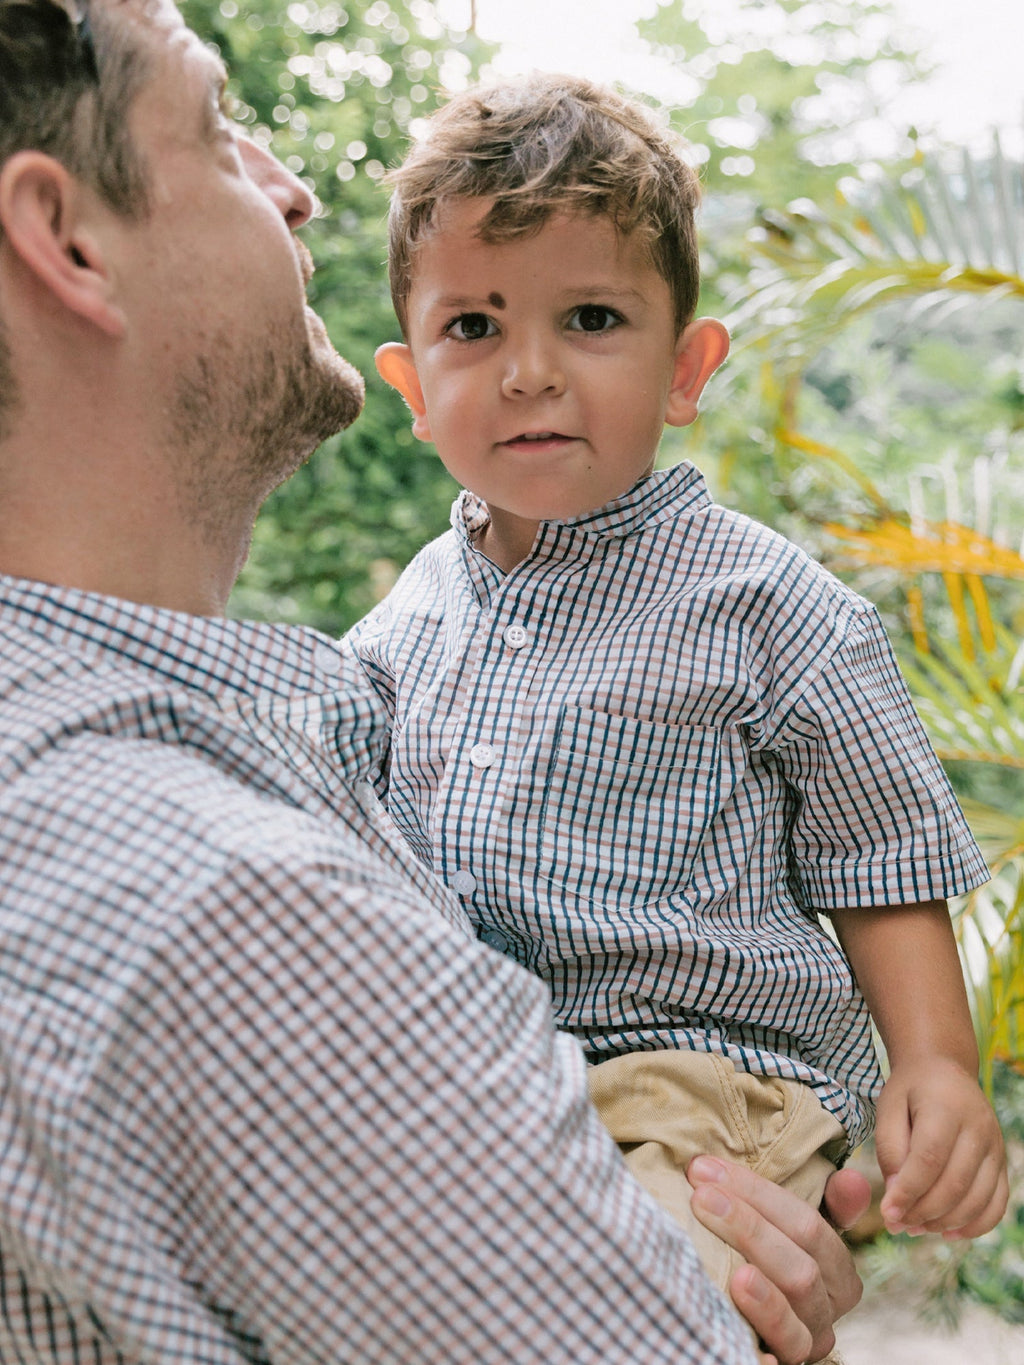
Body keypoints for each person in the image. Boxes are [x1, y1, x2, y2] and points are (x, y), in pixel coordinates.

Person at [0, 3, 874, 1363]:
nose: (292, 188)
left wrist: (650, 1242)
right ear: (64, 239)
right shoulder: (231, 908)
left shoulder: (234, 735)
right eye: (221, 133)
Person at [347, 72, 1009, 1317]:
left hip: (703, 1093)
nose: (530, 372)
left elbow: (882, 855)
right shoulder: (401, 625)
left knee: (637, 1308)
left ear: (685, 366)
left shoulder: (768, 609)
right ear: (413, 387)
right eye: (474, 329)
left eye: (590, 318)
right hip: (479, 1087)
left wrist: (932, 1064)